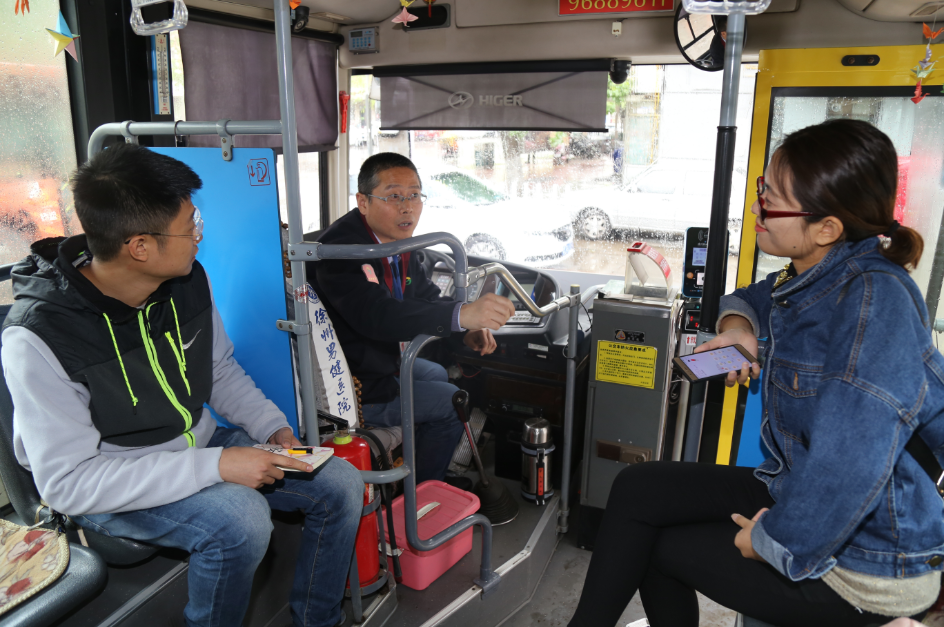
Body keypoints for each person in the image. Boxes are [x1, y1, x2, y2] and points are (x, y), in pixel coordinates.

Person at [567, 119, 944, 627]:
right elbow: (748, 298)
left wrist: (770, 541)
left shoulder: (876, 303)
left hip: (867, 564)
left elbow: (848, 465)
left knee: (656, 546)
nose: (755, 209)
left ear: (827, 228)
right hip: (794, 486)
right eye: (762, 191)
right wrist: (740, 328)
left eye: (771, 202)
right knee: (638, 488)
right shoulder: (819, 274)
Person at [1, 144, 363, 627]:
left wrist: (271, 427)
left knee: (340, 483)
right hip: (110, 480)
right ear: (140, 247)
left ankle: (318, 621)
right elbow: (70, 484)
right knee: (241, 521)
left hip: (196, 444)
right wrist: (217, 465)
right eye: (191, 225)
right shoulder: (39, 337)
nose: (198, 235)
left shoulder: (187, 281)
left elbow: (218, 371)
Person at [310, 152, 516, 484]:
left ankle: (421, 464)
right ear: (363, 202)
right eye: (394, 196)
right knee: (452, 403)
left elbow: (424, 295)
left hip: (380, 360)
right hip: (357, 382)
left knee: (436, 372)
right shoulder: (340, 250)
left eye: (415, 195)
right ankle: (421, 490)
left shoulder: (398, 242)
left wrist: (463, 329)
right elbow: (377, 315)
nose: (407, 207)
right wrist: (462, 313)